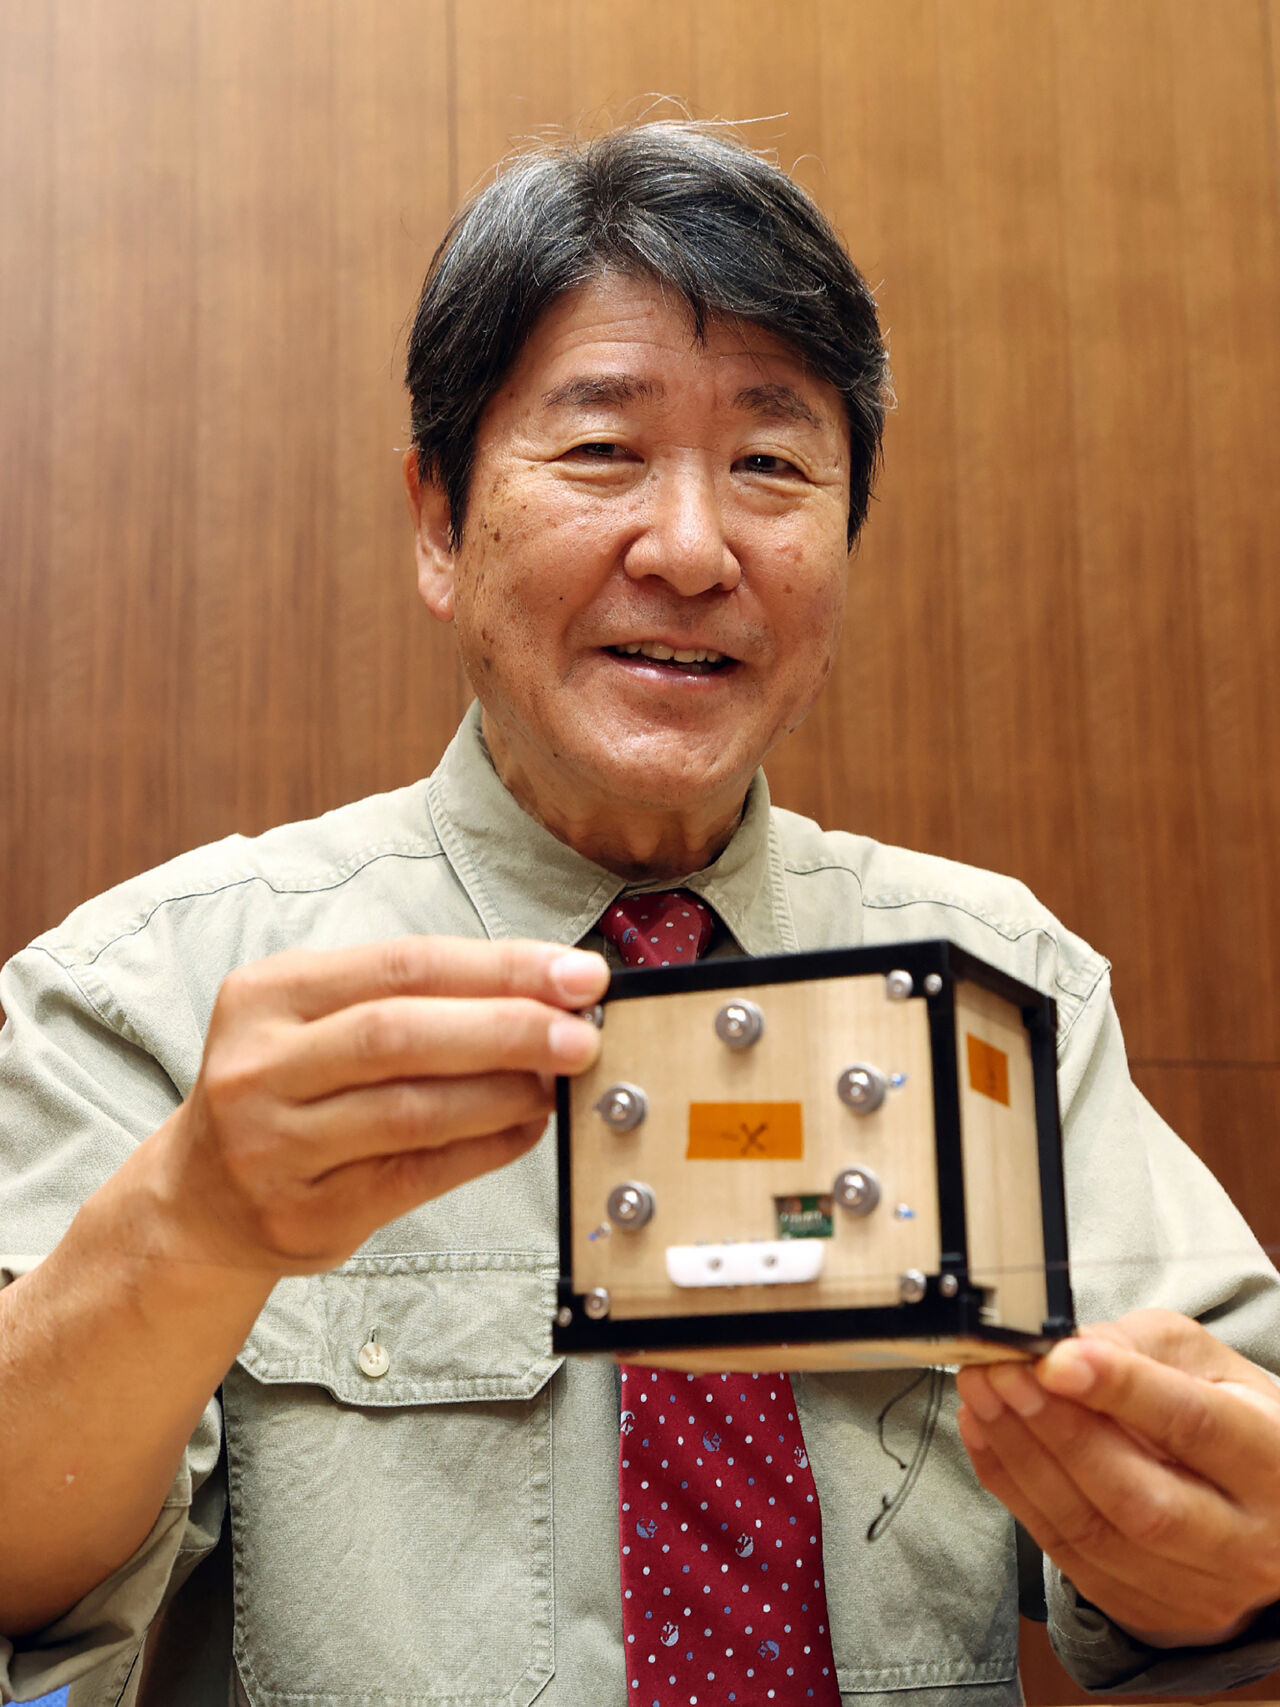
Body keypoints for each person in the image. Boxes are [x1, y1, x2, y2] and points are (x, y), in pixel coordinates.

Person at [1, 121, 1279, 1707]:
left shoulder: (1002, 990)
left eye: (771, 465)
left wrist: (1221, 1557)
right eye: (602, 451)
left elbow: (1244, 1470)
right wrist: (193, 1219)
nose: (690, 548)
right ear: (438, 521)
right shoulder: (148, 990)